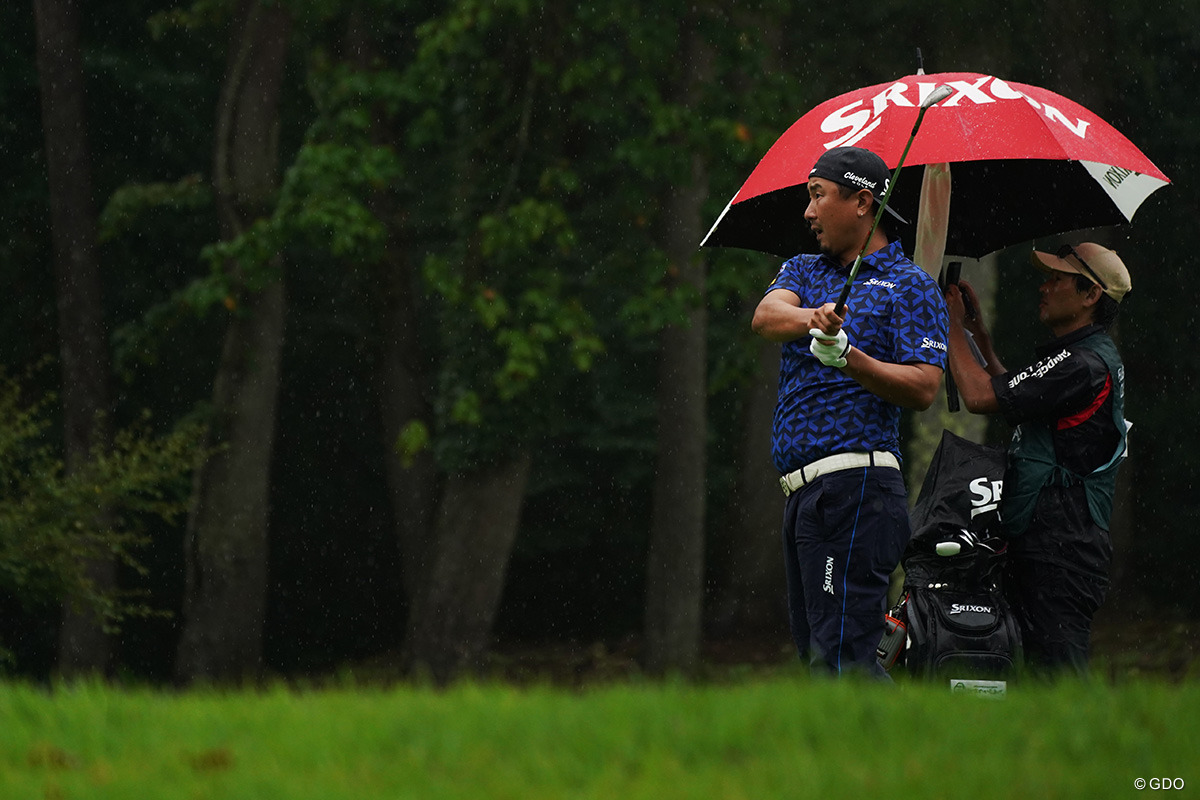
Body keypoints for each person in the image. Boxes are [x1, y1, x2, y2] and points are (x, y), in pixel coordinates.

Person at [752, 146, 948, 676]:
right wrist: (812, 320)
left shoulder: (910, 287)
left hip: (857, 490)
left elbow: (924, 386)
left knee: (845, 655)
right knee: (819, 657)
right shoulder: (804, 269)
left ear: (862, 202)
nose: (808, 211)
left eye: (818, 195)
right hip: (803, 495)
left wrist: (850, 357)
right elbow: (767, 316)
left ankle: (900, 754)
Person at [943, 243, 1131, 676]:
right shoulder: (1081, 356)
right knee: (1035, 675)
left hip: (1060, 549)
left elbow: (979, 397)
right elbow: (1015, 392)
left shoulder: (1080, 364)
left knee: (1059, 677)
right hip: (1052, 544)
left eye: (1057, 279)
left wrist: (950, 327)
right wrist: (979, 337)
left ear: (1091, 296)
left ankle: (1085, 745)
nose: (1043, 287)